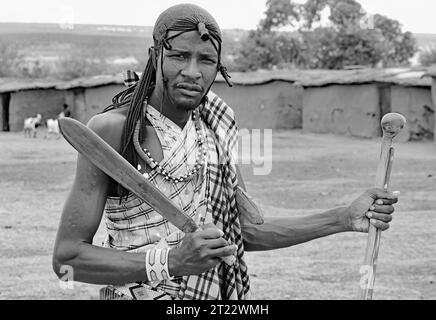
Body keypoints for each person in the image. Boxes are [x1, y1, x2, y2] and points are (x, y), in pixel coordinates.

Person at [52, 4, 398, 300]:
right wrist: (171, 261)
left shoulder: (214, 130)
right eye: (178, 56)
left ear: (219, 68)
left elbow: (243, 233)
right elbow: (67, 260)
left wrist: (343, 218)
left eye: (206, 60)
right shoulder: (115, 131)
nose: (192, 72)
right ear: (154, 55)